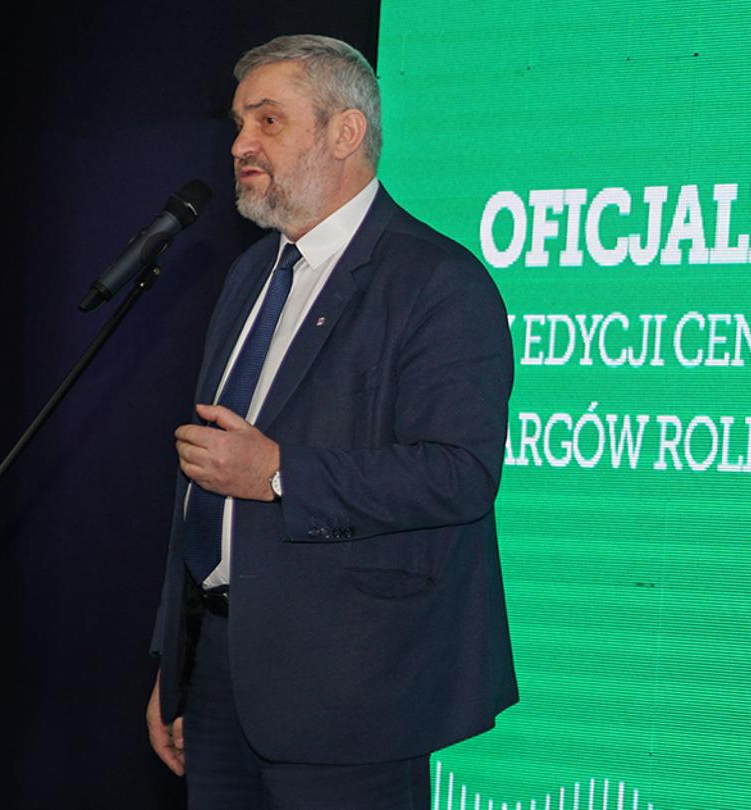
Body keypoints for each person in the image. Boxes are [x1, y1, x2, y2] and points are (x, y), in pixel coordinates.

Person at [144, 34, 516, 809]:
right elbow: (204, 488)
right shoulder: (251, 274)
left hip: (351, 689)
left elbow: (460, 473)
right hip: (219, 673)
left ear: (345, 132)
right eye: (240, 124)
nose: (241, 145)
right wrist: (173, 664)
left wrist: (280, 474)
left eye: (268, 120)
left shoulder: (437, 280)